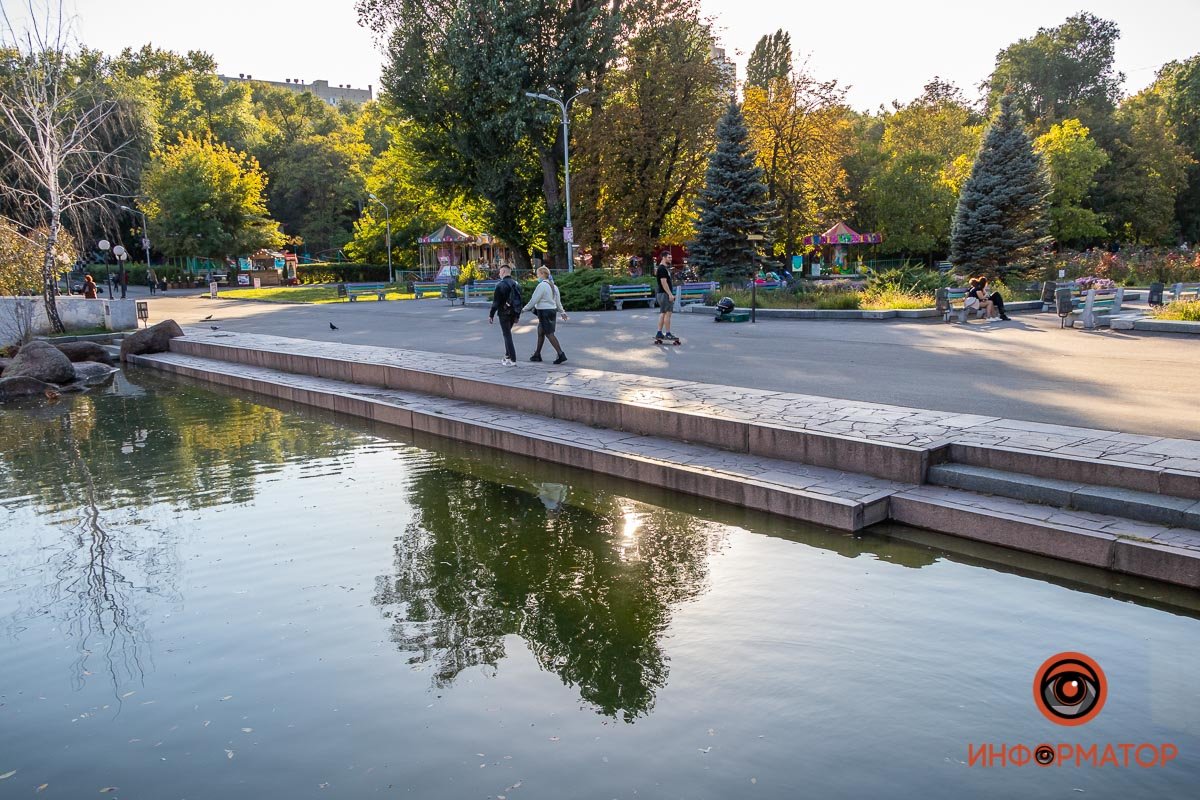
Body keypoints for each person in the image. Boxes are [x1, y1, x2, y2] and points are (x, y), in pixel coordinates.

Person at [524, 266, 568, 364]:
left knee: (549, 333)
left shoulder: (542, 286)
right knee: (541, 332)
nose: (537, 276)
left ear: (543, 274)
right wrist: (562, 312)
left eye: (538, 274)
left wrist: (524, 309)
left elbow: (534, 299)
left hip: (544, 312)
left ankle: (561, 354)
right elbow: (558, 302)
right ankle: (537, 354)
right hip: (551, 311)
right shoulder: (554, 286)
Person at [488, 264, 523, 366]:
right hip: (513, 313)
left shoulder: (500, 285)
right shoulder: (516, 284)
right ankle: (507, 356)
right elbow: (520, 301)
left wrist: (491, 315)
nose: (499, 274)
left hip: (504, 313)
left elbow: (496, 302)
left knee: (507, 335)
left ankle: (512, 358)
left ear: (503, 272)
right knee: (508, 334)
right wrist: (517, 316)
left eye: (500, 272)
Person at [654, 255, 677, 343]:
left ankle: (659, 333)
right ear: (663, 258)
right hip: (665, 294)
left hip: (662, 294)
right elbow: (664, 283)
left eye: (671, 257)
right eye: (669, 257)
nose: (670, 259)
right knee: (668, 313)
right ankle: (668, 333)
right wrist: (670, 294)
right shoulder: (662, 269)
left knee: (663, 313)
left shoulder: (662, 268)